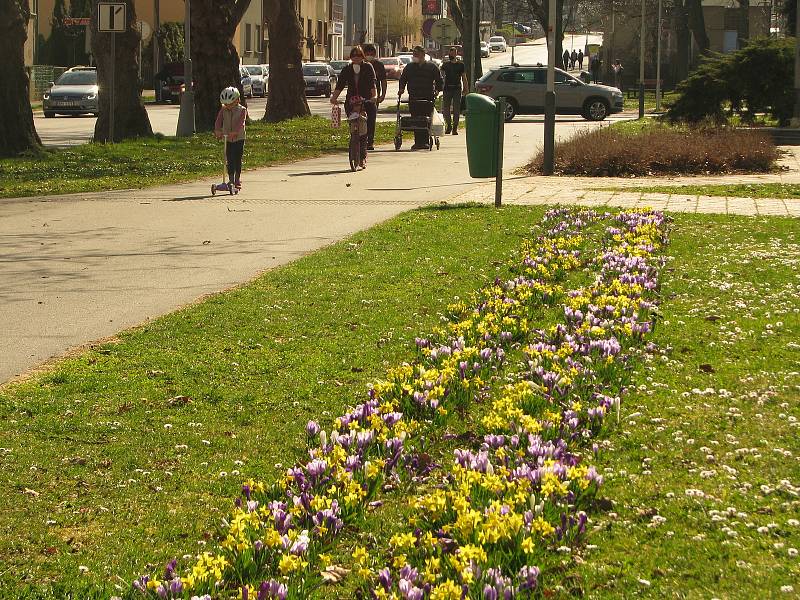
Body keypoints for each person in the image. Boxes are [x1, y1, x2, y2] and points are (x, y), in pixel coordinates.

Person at [330, 46, 377, 168]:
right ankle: (354, 147)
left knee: (366, 128)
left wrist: (373, 96)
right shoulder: (347, 69)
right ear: (351, 57)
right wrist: (334, 98)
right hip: (351, 101)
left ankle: (363, 155)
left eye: (359, 55)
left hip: (366, 101)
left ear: (363, 57)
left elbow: (372, 84)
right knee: (354, 128)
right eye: (354, 55)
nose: (356, 58)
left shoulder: (368, 67)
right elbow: (340, 85)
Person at [398, 45, 443, 150]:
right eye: (414, 54)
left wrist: (437, 90)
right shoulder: (409, 67)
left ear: (423, 55)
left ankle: (425, 142)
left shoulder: (432, 67)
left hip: (427, 97)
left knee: (426, 120)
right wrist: (401, 88)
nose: (415, 56)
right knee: (415, 119)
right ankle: (417, 142)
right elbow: (403, 79)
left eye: (416, 54)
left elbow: (439, 80)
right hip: (414, 97)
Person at [214, 86, 247, 189]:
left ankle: (237, 179)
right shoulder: (223, 110)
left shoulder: (242, 110)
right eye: (226, 104)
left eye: (230, 104)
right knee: (229, 159)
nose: (228, 106)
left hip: (239, 138)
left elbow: (241, 122)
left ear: (237, 100)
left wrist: (235, 131)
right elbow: (218, 121)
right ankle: (231, 179)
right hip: (227, 138)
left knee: (237, 158)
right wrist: (218, 130)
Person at [363, 43, 386, 151]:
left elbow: (383, 81)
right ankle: (359, 139)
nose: (369, 56)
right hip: (361, 95)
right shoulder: (360, 64)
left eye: (371, 54)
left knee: (371, 119)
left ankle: (370, 141)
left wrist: (383, 95)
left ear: (375, 54)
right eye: (367, 54)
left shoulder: (379, 65)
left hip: (373, 96)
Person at [440, 46, 468, 135]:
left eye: (453, 52)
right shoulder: (445, 65)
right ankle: (449, 125)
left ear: (456, 54)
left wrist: (466, 87)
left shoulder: (460, 65)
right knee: (446, 108)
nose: (451, 54)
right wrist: (439, 85)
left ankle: (455, 127)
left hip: (457, 88)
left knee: (456, 109)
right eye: (450, 52)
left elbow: (464, 77)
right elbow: (441, 76)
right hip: (447, 88)